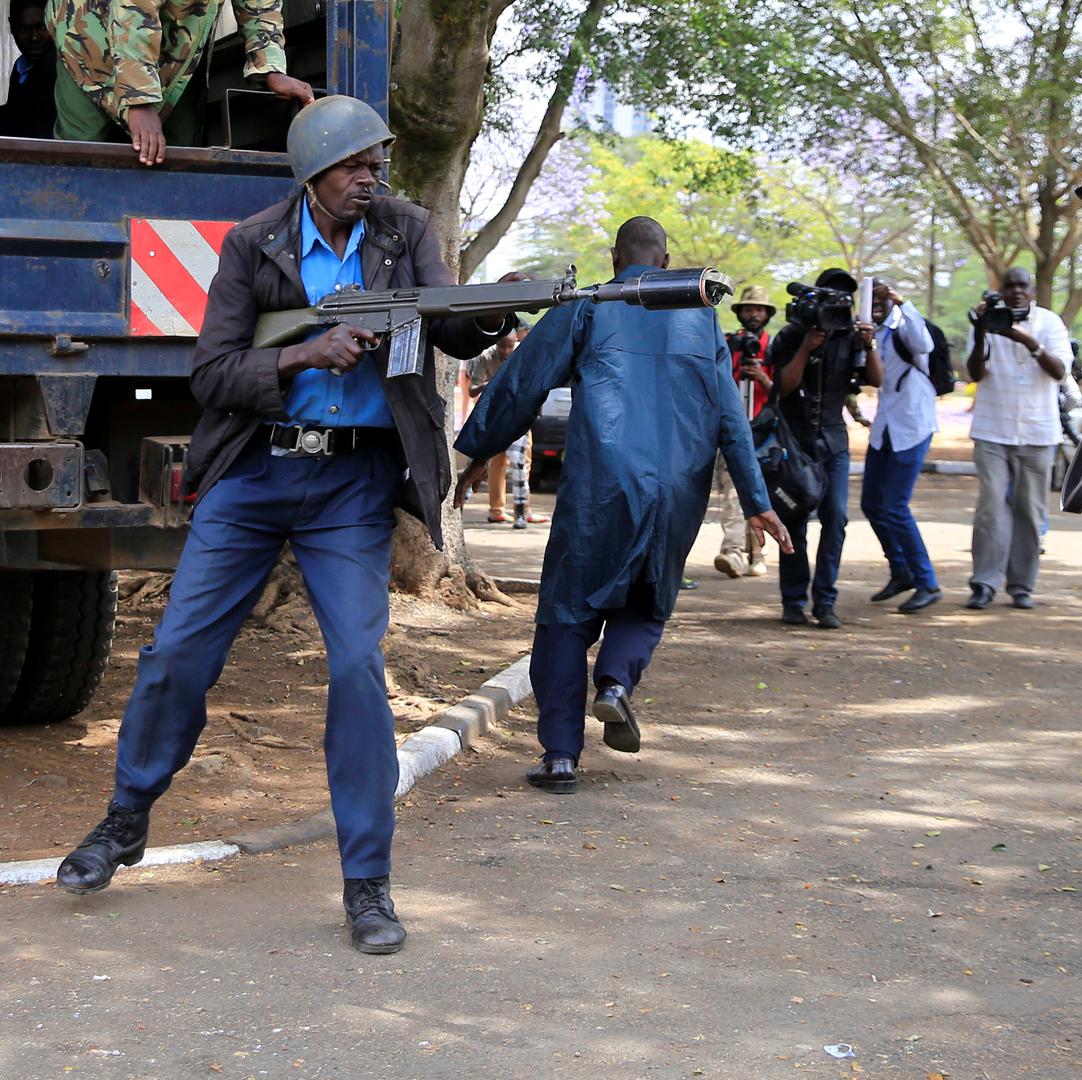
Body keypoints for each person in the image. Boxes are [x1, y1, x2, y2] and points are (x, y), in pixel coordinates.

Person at [52, 96, 516, 955]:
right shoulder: (253, 242)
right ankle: (126, 817)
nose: (369, 178)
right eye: (353, 167)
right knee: (179, 650)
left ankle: (367, 882)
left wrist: (492, 312)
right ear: (312, 173)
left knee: (357, 666)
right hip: (256, 474)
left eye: (376, 164)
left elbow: (449, 320)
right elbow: (213, 371)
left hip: (352, 485)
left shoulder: (403, 230)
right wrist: (307, 350)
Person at [455, 217, 791, 795]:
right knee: (649, 598)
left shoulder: (590, 303)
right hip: (678, 489)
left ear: (616, 258)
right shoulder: (703, 320)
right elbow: (730, 419)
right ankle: (613, 686)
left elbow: (521, 384)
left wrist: (469, 458)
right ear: (665, 263)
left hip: (601, 486)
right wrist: (756, 499)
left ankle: (561, 757)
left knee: (566, 614)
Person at [48, 0, 314, 163]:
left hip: (177, 48)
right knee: (79, 149)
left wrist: (269, 66)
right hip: (86, 41)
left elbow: (259, 3)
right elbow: (134, 7)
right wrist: (139, 100)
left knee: (178, 151)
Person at [767, 268, 883, 629]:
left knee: (836, 519)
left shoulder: (851, 337)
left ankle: (826, 601)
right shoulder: (791, 333)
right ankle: (793, 600)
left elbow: (875, 381)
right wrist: (806, 346)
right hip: (795, 440)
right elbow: (783, 387)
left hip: (833, 440)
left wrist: (870, 344)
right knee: (795, 518)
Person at [962, 267, 1072, 610]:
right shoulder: (986, 322)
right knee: (990, 508)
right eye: (1009, 286)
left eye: (1021, 285)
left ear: (1032, 290)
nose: (1015, 291)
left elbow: (1060, 372)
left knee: (1029, 510)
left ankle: (1022, 585)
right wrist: (983, 332)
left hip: (1039, 433)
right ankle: (984, 583)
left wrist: (1024, 339)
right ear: (1001, 291)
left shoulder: (1050, 323)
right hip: (993, 430)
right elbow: (976, 373)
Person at [861, 280, 941, 614]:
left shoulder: (905, 326)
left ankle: (927, 583)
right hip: (885, 426)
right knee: (871, 504)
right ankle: (900, 571)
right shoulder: (868, 331)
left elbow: (924, 344)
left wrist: (901, 302)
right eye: (871, 301)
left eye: (882, 300)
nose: (877, 307)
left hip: (913, 424)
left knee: (895, 506)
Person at [713, 284, 778, 579]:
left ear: (767, 314)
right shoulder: (728, 344)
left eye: (759, 309)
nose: (754, 314)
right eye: (749, 308)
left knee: (760, 491)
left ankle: (757, 553)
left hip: (765, 433)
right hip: (732, 429)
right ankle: (733, 551)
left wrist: (762, 377)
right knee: (731, 491)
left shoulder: (776, 348)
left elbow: (783, 394)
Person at [462, 325, 549, 528]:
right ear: (496, 344)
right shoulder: (485, 357)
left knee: (519, 464)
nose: (506, 352)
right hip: (491, 417)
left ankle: (520, 512)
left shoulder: (523, 354)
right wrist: (492, 384)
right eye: (503, 347)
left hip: (516, 416)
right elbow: (473, 391)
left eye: (510, 347)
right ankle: (488, 510)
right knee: (483, 463)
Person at [0, 0, 53, 138]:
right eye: (24, 29)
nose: (34, 37)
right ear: (11, 27)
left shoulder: (59, 69)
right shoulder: (21, 65)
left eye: (42, 28)